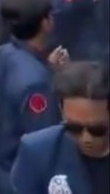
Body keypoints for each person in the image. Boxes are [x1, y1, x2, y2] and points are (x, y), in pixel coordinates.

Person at [0, 0, 63, 194]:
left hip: (0, 165)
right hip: (22, 177)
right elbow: (43, 141)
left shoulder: (3, 53)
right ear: (45, 23)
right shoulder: (36, 83)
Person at [12, 61, 109, 194]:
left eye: (97, 130)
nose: (86, 138)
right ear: (61, 110)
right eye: (74, 128)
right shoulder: (38, 152)